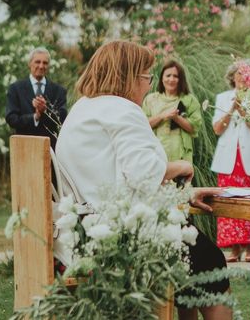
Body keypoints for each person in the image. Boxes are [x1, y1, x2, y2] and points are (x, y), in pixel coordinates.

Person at [55, 40, 232, 320]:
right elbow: (145, 175)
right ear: (129, 77)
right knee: (212, 262)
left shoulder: (82, 109)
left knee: (194, 254)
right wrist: (181, 165)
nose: (149, 85)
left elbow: (115, 177)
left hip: (82, 232)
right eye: (148, 77)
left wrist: (184, 195)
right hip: (122, 236)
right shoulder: (123, 110)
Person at [210, 59, 250, 263]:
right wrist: (231, 109)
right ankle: (234, 248)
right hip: (229, 157)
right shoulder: (222, 97)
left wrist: (243, 109)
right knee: (230, 201)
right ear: (232, 77)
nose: (242, 77)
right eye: (239, 73)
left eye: (247, 73)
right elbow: (217, 129)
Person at [142, 59, 204, 163]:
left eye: (175, 76)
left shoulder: (189, 100)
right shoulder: (151, 99)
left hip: (181, 156)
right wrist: (162, 116)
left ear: (181, 79)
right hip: (155, 155)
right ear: (162, 78)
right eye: (168, 75)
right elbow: (143, 125)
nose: (171, 79)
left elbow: (194, 128)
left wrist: (176, 118)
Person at [5, 47, 68, 142]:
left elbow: (62, 119)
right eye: (37, 62)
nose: (41, 66)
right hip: (23, 146)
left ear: (49, 66)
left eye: (45, 63)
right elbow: (11, 119)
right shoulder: (16, 89)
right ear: (29, 64)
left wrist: (45, 110)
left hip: (49, 147)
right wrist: (35, 116)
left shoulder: (59, 91)